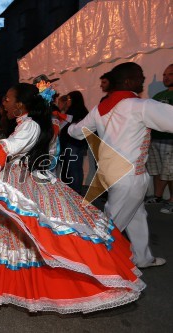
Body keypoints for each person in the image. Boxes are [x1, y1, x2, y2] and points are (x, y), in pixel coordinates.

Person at [0, 82, 144, 313]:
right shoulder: (27, 123)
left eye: (8, 99)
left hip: (30, 184)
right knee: (22, 234)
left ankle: (61, 285)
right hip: (25, 178)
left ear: (20, 104)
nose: (4, 102)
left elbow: (10, 146)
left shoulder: (29, 125)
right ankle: (18, 285)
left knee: (40, 234)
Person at [68, 62, 173, 268]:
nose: (143, 78)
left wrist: (65, 123)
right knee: (110, 226)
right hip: (130, 176)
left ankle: (142, 258)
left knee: (136, 215)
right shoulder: (140, 106)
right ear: (128, 81)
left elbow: (76, 132)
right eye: (140, 75)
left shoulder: (100, 108)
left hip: (110, 173)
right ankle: (89, 267)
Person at [145, 64, 173, 214]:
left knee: (170, 172)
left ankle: (172, 201)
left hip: (170, 140)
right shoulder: (158, 96)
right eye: (164, 75)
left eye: (170, 74)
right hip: (155, 139)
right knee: (157, 170)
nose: (166, 77)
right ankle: (158, 196)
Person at [59, 91, 89, 194]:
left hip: (73, 144)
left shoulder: (75, 112)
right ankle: (77, 191)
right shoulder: (82, 111)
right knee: (76, 169)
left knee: (73, 169)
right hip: (78, 144)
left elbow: (65, 125)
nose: (67, 101)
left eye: (68, 99)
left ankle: (75, 192)